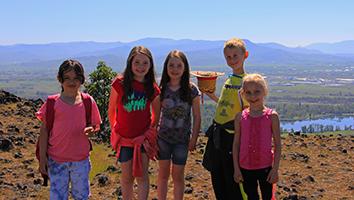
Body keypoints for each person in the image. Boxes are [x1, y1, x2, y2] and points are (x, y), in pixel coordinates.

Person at [36, 59, 102, 199]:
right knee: (58, 197)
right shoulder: (52, 103)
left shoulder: (88, 101)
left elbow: (96, 126)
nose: (72, 82)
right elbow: (44, 132)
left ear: (82, 80)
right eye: (67, 78)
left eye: (76, 78)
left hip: (81, 161)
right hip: (56, 160)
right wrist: (42, 159)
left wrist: (92, 129)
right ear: (60, 79)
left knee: (82, 196)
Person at [108, 46, 160, 200]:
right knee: (126, 177)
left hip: (142, 141)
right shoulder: (119, 83)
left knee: (143, 176)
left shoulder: (152, 88)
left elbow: (156, 115)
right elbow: (111, 110)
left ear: (150, 65)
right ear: (130, 63)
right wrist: (115, 130)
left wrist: (147, 135)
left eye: (145, 63)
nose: (140, 67)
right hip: (124, 139)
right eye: (137, 62)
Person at [203, 38, 249, 199]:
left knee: (232, 179)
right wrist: (212, 96)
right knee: (218, 177)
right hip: (218, 136)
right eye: (228, 57)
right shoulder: (229, 80)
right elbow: (224, 104)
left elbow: (247, 111)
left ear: (245, 55)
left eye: (235, 56)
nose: (232, 60)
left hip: (232, 136)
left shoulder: (247, 82)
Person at [157, 50, 201, 200]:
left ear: (185, 68)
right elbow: (156, 116)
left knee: (178, 175)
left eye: (179, 66)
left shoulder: (191, 90)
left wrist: (194, 139)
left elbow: (197, 116)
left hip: (182, 140)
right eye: (171, 65)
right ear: (166, 67)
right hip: (162, 139)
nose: (175, 69)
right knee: (162, 174)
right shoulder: (161, 89)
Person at [233, 73, 281, 200]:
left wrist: (275, 169)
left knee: (267, 196)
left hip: (265, 167)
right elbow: (236, 144)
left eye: (257, 91)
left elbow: (277, 144)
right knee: (251, 196)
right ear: (243, 93)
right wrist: (236, 169)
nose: (252, 96)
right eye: (248, 92)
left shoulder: (272, 116)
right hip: (245, 167)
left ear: (264, 91)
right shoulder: (240, 117)